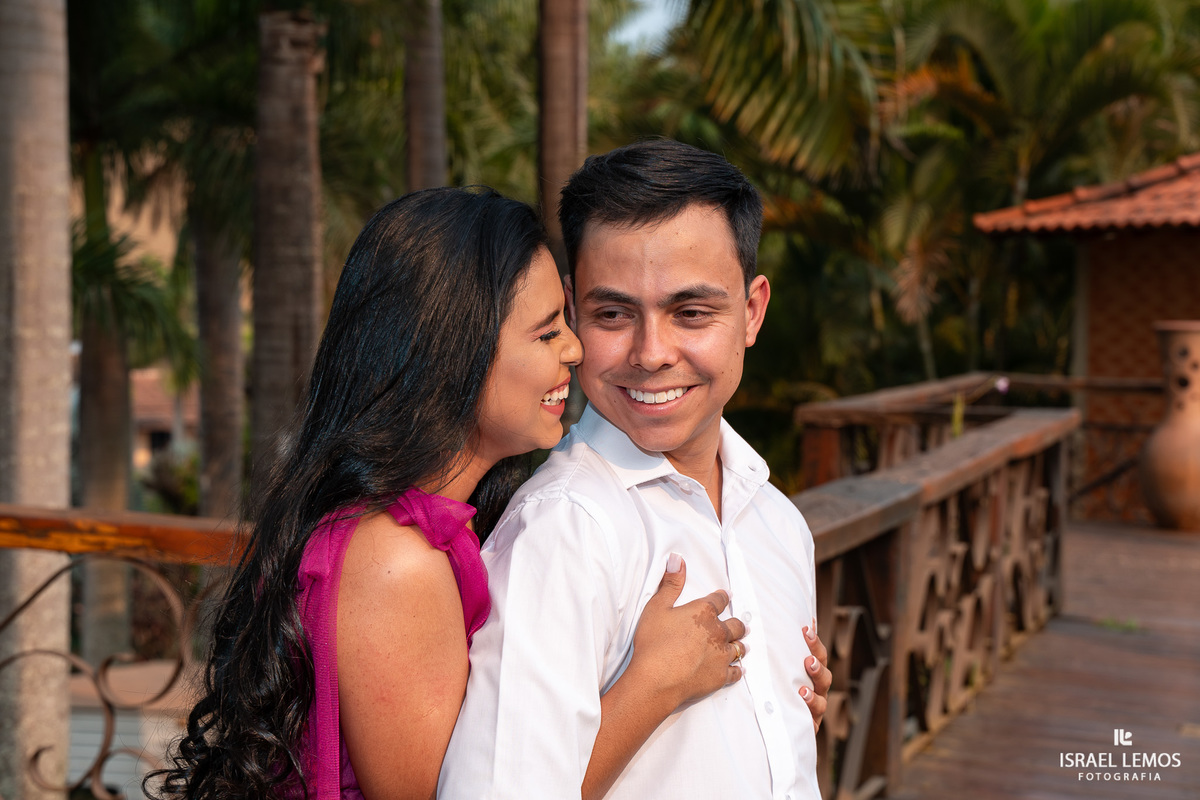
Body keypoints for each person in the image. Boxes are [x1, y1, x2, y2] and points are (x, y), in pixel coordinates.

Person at [154, 187, 754, 800]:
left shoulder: (428, 532)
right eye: (546, 333)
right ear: (455, 353)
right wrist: (653, 684)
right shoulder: (395, 561)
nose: (574, 350)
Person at [441, 140, 831, 800]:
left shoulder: (779, 522)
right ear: (572, 311)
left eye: (691, 313)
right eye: (614, 315)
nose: (651, 354)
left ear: (752, 312)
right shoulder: (565, 531)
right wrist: (648, 689)